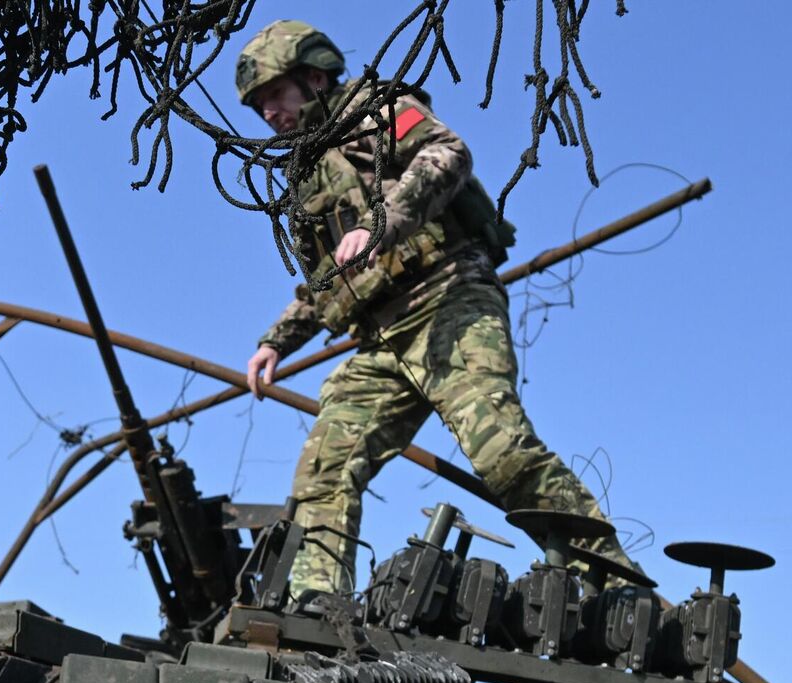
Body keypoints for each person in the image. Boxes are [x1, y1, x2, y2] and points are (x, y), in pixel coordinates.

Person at [236, 20, 641, 597]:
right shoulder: (306, 170)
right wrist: (276, 341)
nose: (268, 113)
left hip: (449, 298)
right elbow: (329, 280)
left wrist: (382, 223)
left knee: (500, 450)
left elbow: (447, 153)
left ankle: (616, 586)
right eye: (259, 106)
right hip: (383, 341)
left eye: (275, 93)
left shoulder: (372, 110)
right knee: (324, 469)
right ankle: (316, 603)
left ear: (314, 76)